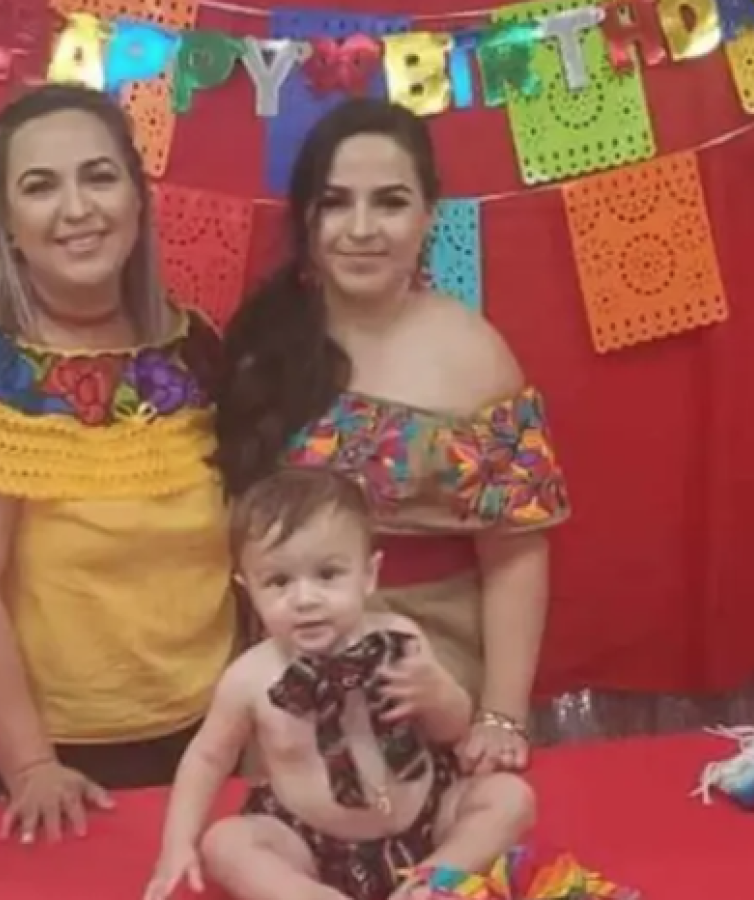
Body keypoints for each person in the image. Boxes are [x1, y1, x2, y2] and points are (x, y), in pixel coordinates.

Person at [0, 84, 235, 841]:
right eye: (40, 186)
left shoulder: (194, 345)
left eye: (100, 175)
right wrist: (29, 767)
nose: (76, 207)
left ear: (138, 201)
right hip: (71, 756)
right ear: (8, 224)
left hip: (225, 721)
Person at [214, 98, 570, 779]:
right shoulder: (265, 347)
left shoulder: (476, 357)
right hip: (290, 660)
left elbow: (516, 552)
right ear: (306, 217)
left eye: (390, 202)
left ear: (429, 214)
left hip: (429, 664)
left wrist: (500, 715)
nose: (361, 229)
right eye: (336, 202)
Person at [147, 467, 535, 900]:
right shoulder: (250, 677)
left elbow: (454, 731)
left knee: (510, 796)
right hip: (307, 842)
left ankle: (430, 881)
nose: (305, 598)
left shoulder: (401, 639)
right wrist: (176, 845)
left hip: (425, 819)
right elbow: (207, 758)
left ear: (369, 574)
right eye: (278, 581)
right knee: (226, 844)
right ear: (247, 587)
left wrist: (439, 697)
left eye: (328, 574)